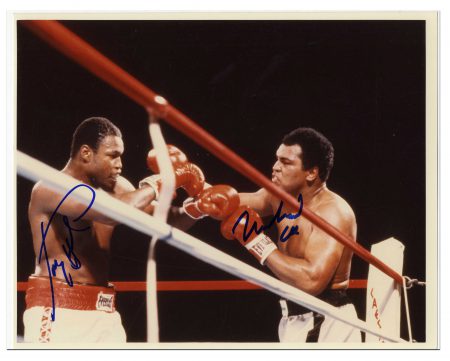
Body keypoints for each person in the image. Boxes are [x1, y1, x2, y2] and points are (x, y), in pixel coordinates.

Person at [24, 116, 204, 343]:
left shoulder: (118, 188)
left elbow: (165, 219)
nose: (120, 164)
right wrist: (163, 181)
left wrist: (198, 208)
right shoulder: (51, 186)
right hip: (58, 310)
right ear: (86, 153)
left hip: (105, 312)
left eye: (121, 155)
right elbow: (114, 212)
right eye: (112, 155)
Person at [183, 127, 361, 342]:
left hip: (325, 320)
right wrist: (196, 190)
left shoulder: (332, 212)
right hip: (294, 317)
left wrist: (257, 241)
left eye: (286, 163)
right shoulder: (277, 197)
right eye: (277, 159)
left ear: (312, 173)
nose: (275, 167)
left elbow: (311, 281)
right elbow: (225, 202)